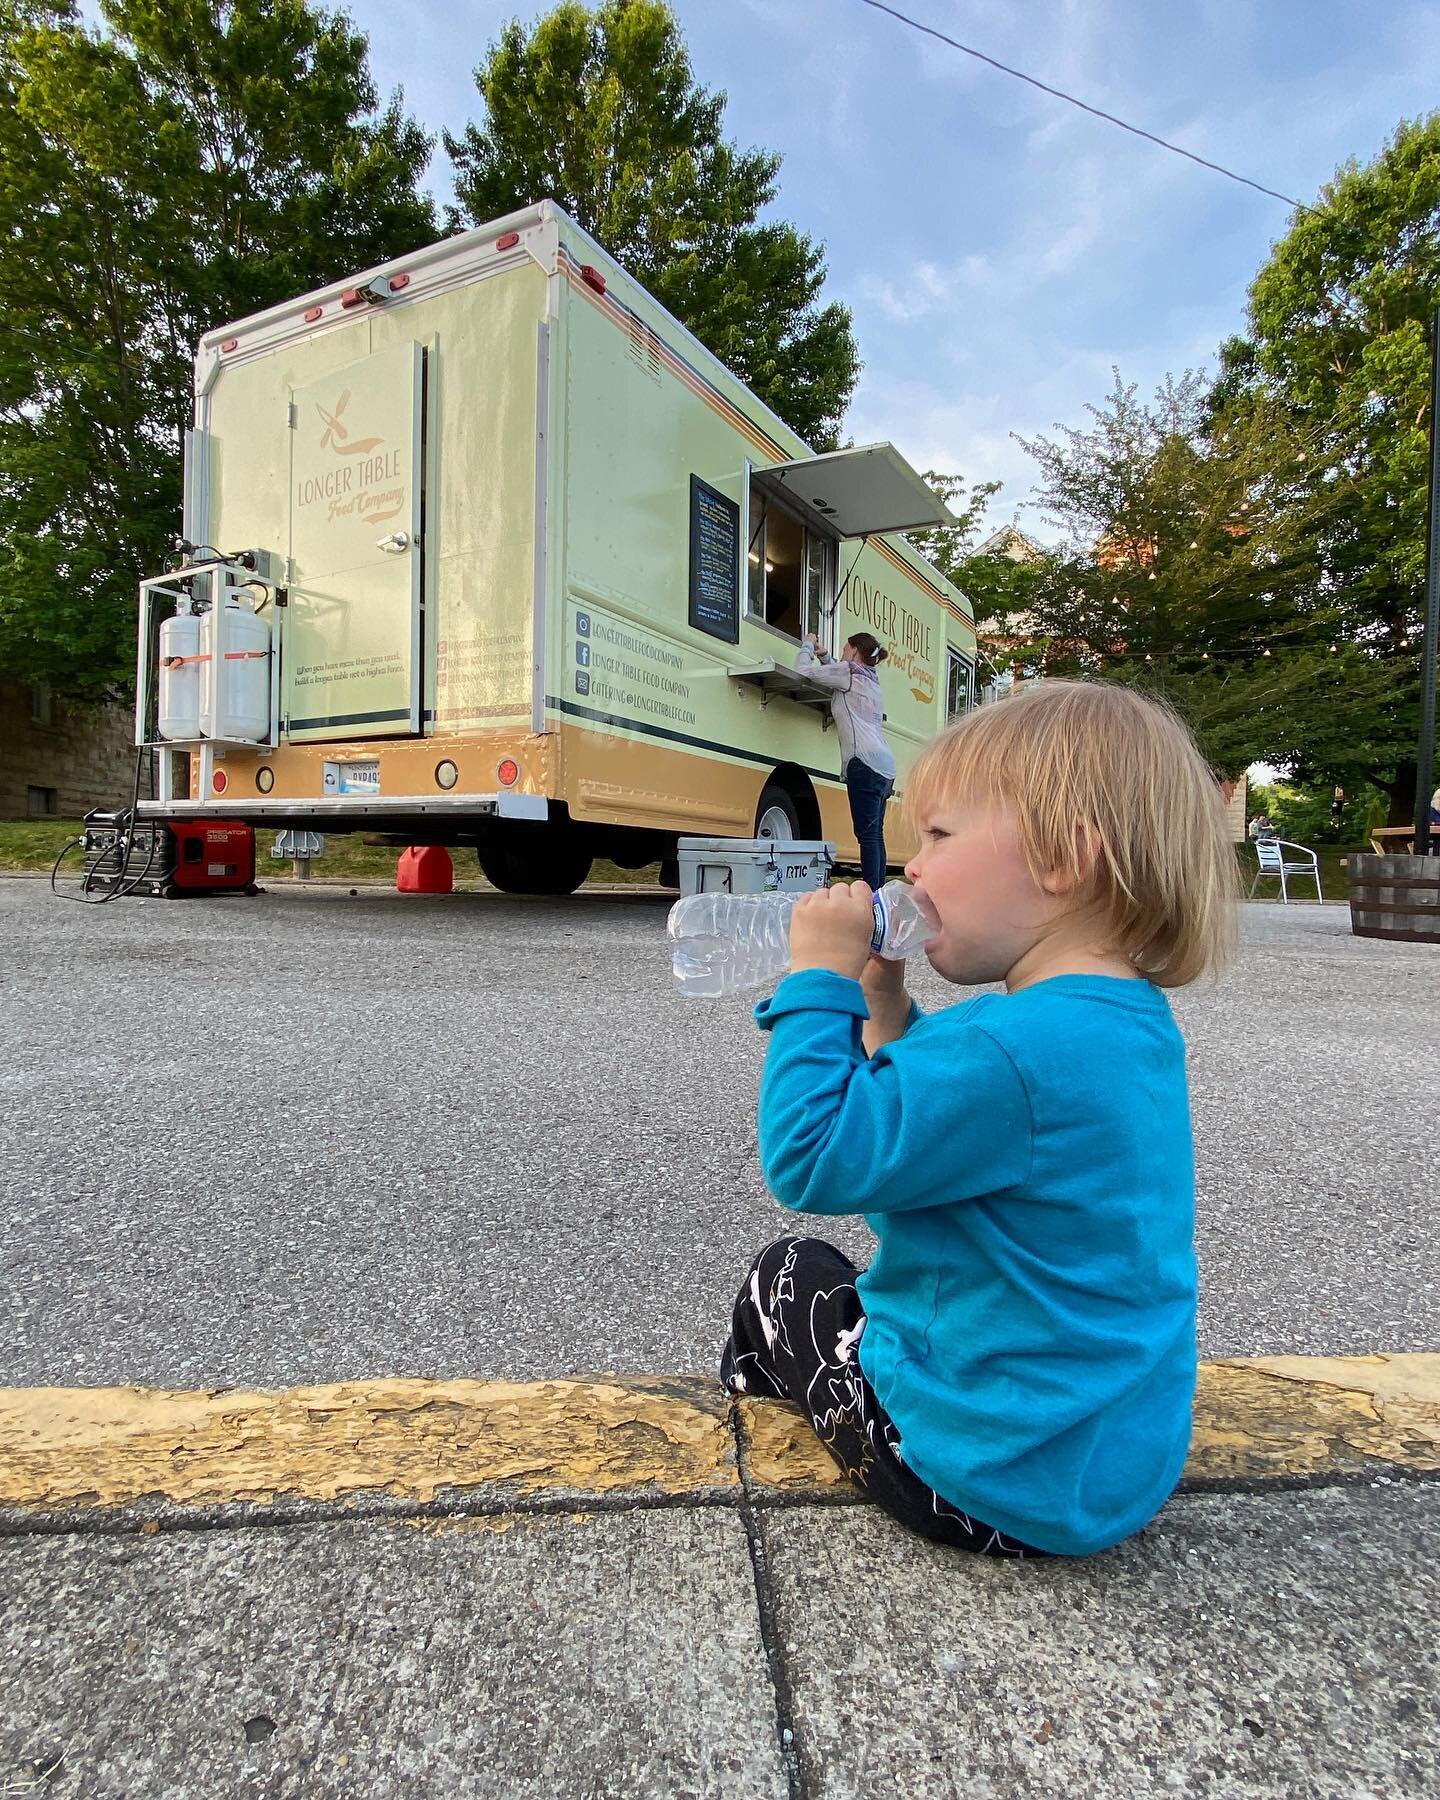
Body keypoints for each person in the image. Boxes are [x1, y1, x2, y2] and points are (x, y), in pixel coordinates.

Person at [719, 680, 1237, 1558]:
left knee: (789, 1270)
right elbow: (952, 1123)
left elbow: (812, 1160)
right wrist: (884, 1001)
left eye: (939, 835)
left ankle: (753, 1429)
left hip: (979, 1479)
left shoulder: (1006, 1046)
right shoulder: (1121, 1025)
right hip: (1106, 1466)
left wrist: (819, 984)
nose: (910, 866)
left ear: (1062, 858)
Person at [796, 631, 895, 889]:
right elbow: (838, 677)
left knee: (867, 836)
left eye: (843, 650)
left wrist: (807, 644)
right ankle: (878, 894)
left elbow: (803, 670)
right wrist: (826, 656)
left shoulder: (848, 671)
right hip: (884, 766)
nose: (841, 656)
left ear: (853, 651)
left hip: (864, 763)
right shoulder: (871, 679)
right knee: (875, 836)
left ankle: (871, 897)